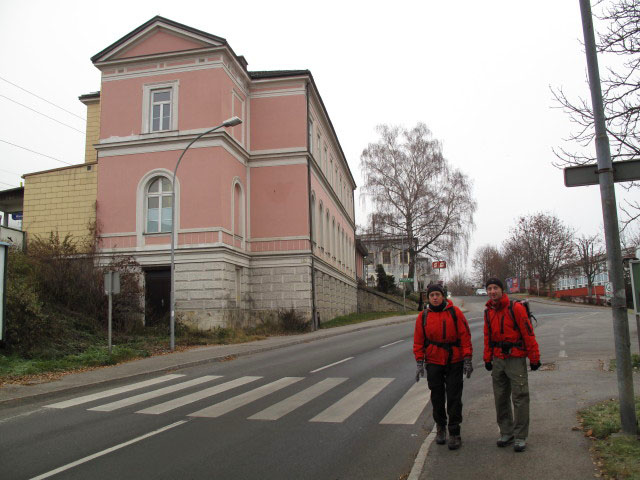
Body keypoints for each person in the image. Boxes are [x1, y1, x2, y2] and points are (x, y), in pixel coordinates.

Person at [483, 277, 541, 453]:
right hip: (498, 359)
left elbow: (528, 333)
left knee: (520, 397)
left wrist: (534, 358)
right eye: (489, 288)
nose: (492, 291)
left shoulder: (515, 308)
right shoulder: (488, 311)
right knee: (500, 398)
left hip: (515, 358)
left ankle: (520, 436)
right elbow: (488, 337)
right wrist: (487, 358)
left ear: (502, 290)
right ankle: (506, 432)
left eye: (495, 288)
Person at [413, 284, 473, 450]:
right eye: (431, 295)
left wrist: (467, 359)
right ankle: (440, 428)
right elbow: (418, 341)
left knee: (454, 398)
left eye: (437, 294)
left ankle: (454, 432)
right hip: (433, 361)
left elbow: (465, 337)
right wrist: (419, 362)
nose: (434, 297)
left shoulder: (455, 313)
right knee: (437, 397)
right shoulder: (423, 316)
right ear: (428, 297)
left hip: (454, 360)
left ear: (443, 296)